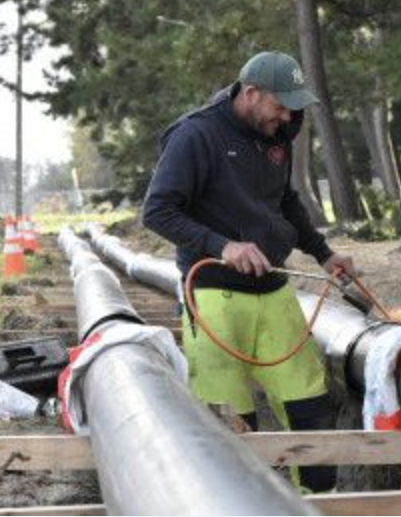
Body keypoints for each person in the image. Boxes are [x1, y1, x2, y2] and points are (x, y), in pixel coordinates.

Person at [142, 50, 356, 492]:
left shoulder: (277, 130)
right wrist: (223, 246)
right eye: (281, 105)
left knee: (310, 404)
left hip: (273, 289)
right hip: (215, 295)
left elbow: (286, 203)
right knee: (229, 418)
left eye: (294, 107)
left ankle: (317, 501)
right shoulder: (196, 136)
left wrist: (323, 253)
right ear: (251, 92)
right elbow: (158, 211)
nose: (287, 116)